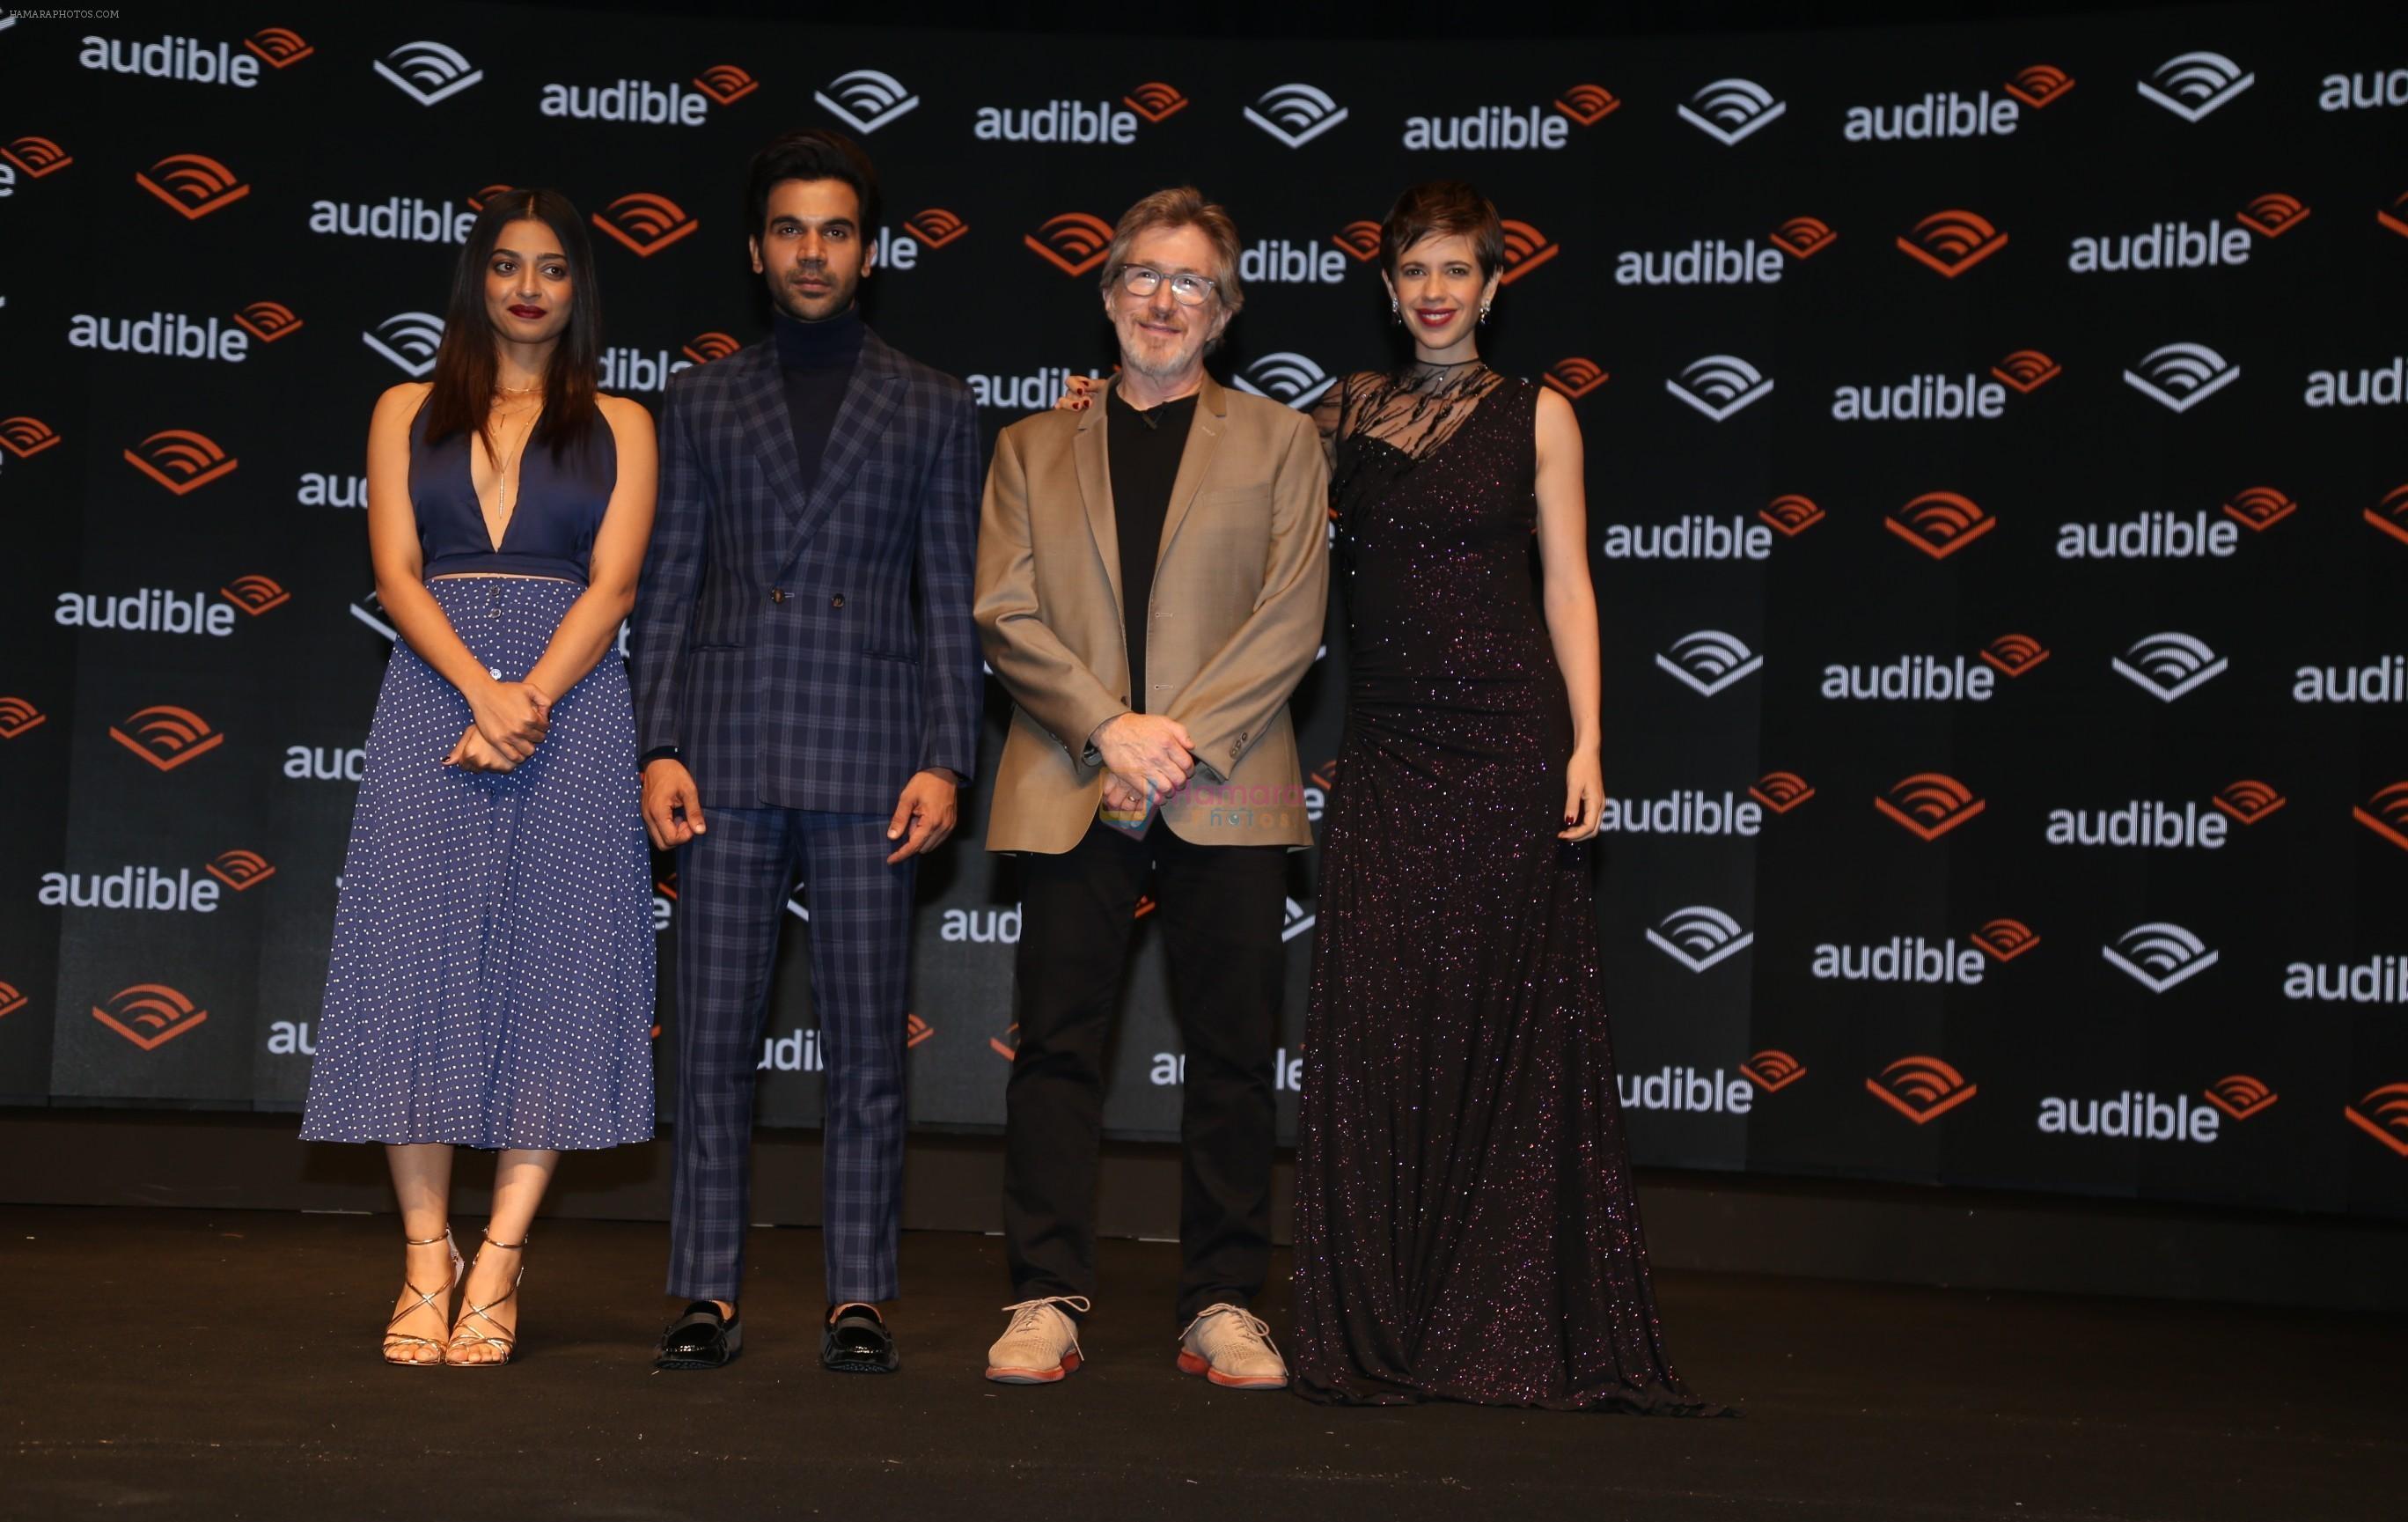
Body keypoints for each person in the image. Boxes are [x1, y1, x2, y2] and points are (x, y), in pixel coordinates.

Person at [1289, 181, 1716, 1409]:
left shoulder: (1541, 413)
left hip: (1508, 745)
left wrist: (1588, 745)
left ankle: (1503, 1315)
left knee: (1505, 1026)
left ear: (1493, 287)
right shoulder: (1342, 414)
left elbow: (1570, 584)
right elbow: (1224, 472)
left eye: (1457, 273)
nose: (1435, 293)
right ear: (1386, 290)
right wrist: (1108, 410)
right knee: (1385, 1023)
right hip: (1387, 751)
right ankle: (1389, 1311)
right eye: (1413, 272)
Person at [628, 130, 981, 1374]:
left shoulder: (935, 404)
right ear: (755, 252)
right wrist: (655, 741)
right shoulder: (703, 398)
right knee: (713, 1039)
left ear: (869, 253)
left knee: (866, 1047)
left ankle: (860, 1295)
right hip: (722, 753)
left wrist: (948, 758)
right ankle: (706, 1292)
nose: (813, 251)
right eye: (790, 229)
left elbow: (954, 598)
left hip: (873, 755)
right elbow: (666, 587)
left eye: (835, 230)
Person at [974, 187, 1329, 1388]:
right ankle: (1042, 1296)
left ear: (1223, 313)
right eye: (1143, 277)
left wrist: (1178, 737)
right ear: (1107, 292)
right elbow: (1003, 612)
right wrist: (1109, 727)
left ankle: (1224, 1301)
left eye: (1191, 284)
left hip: (1225, 780)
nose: (1163, 302)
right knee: (1057, 1050)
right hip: (1078, 773)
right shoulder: (1030, 445)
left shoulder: (1283, 441)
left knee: (1233, 1052)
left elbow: (1292, 619)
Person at [301, 188, 659, 1369]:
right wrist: (480, 692)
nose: (528, 286)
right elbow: (398, 575)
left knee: (554, 969)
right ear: (476, 279)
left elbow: (611, 587)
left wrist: (532, 698)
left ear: (576, 289)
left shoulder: (623, 421)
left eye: (552, 268)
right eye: (507, 265)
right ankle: (423, 1259)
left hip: (574, 703)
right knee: (412, 965)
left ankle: (499, 1259)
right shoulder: (404, 407)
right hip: (433, 695)